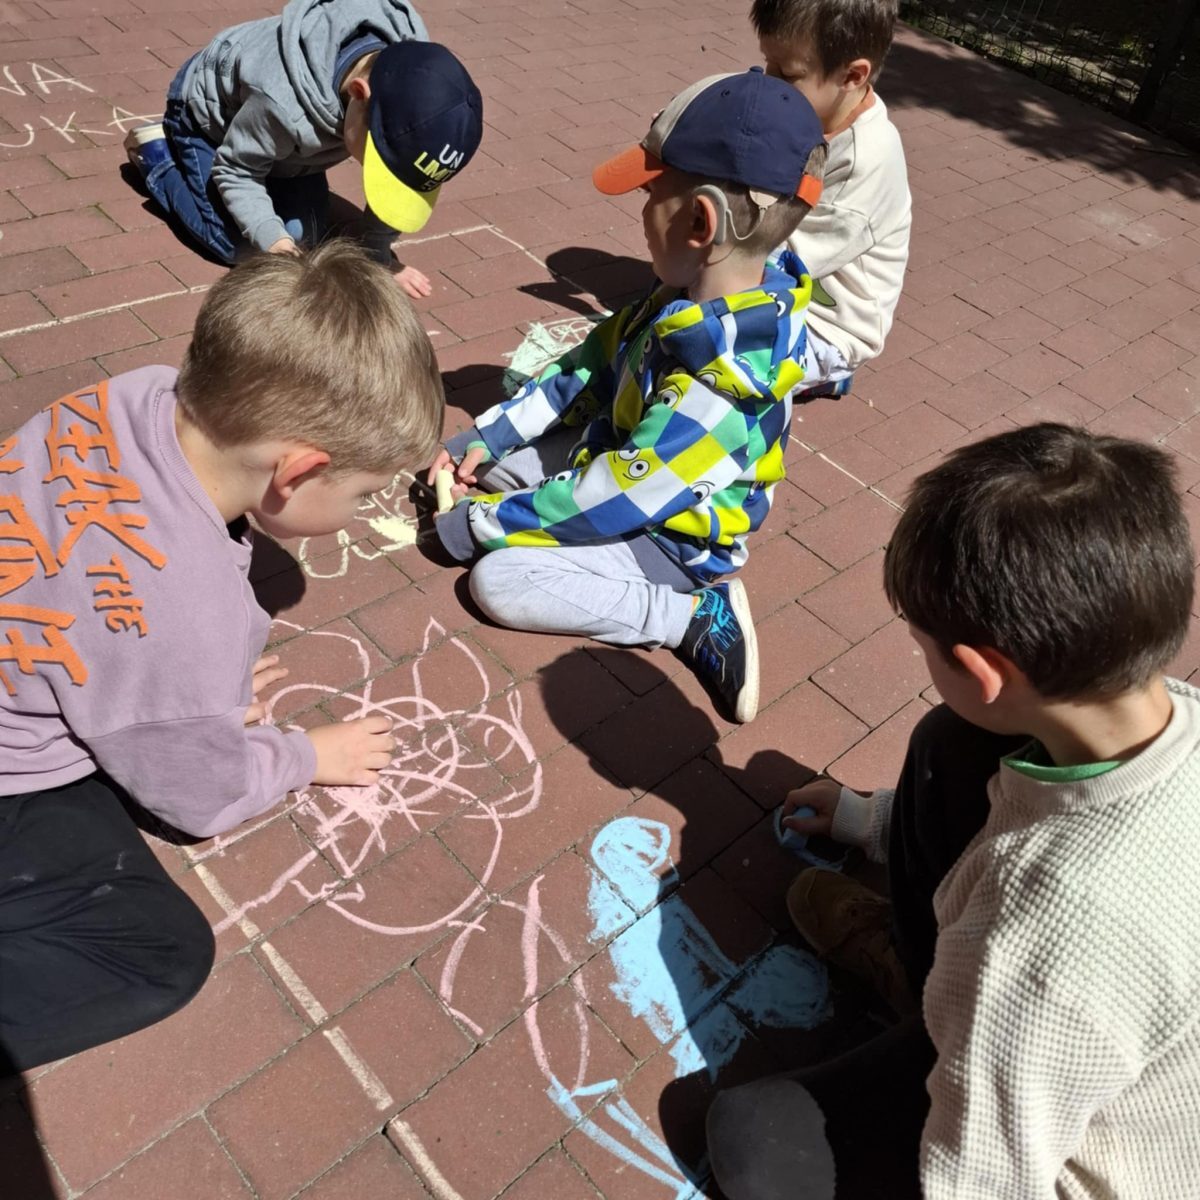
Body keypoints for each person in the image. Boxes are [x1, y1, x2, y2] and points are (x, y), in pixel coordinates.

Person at [706, 423, 1200, 1198]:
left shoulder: (1044, 926)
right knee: (952, 743)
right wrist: (872, 821)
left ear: (981, 669)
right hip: (1116, 1033)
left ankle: (936, 1007)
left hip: (1095, 1159)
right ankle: (925, 984)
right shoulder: (1173, 714)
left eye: (923, 644)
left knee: (750, 1144)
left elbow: (985, 1177)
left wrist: (981, 1022)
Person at [0, 240, 444, 1072]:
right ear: (299, 471)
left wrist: (189, 698)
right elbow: (197, 800)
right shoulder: (188, 614)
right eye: (362, 493)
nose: (363, 509)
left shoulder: (135, 395)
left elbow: (116, 614)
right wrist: (301, 755)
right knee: (161, 953)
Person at [426, 69, 827, 726]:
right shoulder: (684, 297)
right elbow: (589, 367)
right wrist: (491, 435)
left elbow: (616, 495)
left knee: (500, 580)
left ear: (699, 220)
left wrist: (482, 525)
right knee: (505, 469)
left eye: (651, 193)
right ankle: (522, 503)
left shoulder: (723, 389)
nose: (641, 211)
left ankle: (692, 618)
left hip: (671, 539)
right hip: (625, 463)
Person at [123, 0, 482, 299]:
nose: (383, 174)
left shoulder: (413, 74)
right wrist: (273, 241)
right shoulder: (282, 103)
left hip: (281, 142)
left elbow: (405, 179)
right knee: (242, 246)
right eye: (380, 162)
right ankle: (159, 158)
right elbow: (236, 170)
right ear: (358, 95)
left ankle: (275, 169)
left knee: (306, 235)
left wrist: (379, 255)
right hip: (206, 121)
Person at [754, 0, 911, 393]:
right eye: (767, 62)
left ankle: (829, 374)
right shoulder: (803, 109)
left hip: (826, 327)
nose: (769, 81)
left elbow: (778, 259)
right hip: (779, 286)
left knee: (715, 366)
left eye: (788, 73)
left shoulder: (863, 161)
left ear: (852, 76)